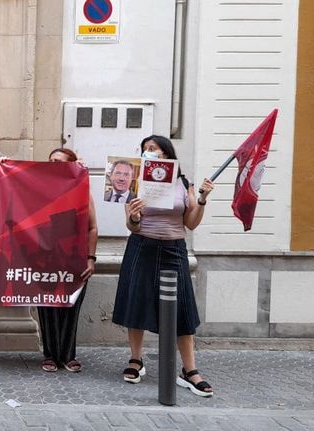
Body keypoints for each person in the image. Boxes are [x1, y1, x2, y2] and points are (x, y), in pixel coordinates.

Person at [112, 135, 215, 397]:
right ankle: (136, 360)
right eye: (145, 149)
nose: (148, 152)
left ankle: (189, 370)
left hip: (174, 249)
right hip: (142, 247)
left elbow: (191, 222)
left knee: (181, 307)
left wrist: (202, 199)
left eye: (153, 149)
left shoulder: (182, 182)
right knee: (137, 302)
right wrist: (134, 217)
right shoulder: (137, 181)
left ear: (166, 153)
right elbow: (131, 225)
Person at [37, 148, 98, 373]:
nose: (52, 164)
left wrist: (91, 259)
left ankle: (68, 355)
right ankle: (50, 356)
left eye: (59, 162)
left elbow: (92, 227)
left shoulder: (81, 190)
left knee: (71, 306)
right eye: (50, 160)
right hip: (44, 259)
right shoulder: (39, 190)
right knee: (47, 308)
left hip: (75, 260)